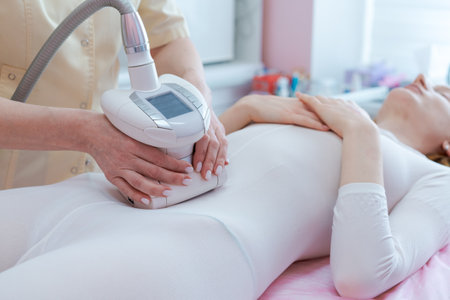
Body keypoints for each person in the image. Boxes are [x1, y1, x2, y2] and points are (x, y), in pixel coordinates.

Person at [0, 74, 448, 299]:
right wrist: (245, 110)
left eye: (445, 94)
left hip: (188, 247)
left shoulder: (436, 178)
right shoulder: (324, 107)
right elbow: (205, 160)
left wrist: (362, 133)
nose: (424, 80)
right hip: (93, 195)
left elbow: (363, 274)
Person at [0, 0, 228, 204]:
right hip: (13, 186)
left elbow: (167, 39)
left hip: (100, 185)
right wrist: (84, 133)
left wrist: (196, 93)